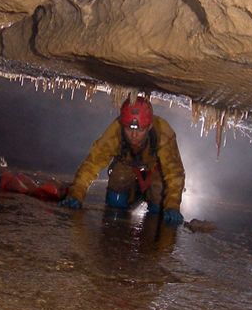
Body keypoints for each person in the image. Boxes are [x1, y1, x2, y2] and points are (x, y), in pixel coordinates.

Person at [59, 95, 186, 225]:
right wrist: (76, 194)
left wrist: (172, 205)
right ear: (122, 124)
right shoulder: (115, 132)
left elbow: (174, 172)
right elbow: (92, 164)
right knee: (116, 200)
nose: (134, 135)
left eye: (140, 130)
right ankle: (128, 204)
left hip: (154, 170)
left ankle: (152, 217)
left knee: (159, 200)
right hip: (126, 166)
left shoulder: (163, 132)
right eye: (129, 129)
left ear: (149, 127)